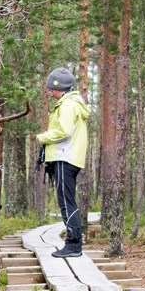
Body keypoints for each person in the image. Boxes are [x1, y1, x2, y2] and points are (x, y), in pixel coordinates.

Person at [36, 66, 90, 258]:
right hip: (68, 157)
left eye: (52, 88)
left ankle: (73, 245)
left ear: (62, 87)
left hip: (64, 157)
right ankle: (74, 243)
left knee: (66, 203)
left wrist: (43, 137)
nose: (49, 91)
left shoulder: (68, 105)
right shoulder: (72, 103)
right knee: (67, 201)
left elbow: (64, 131)